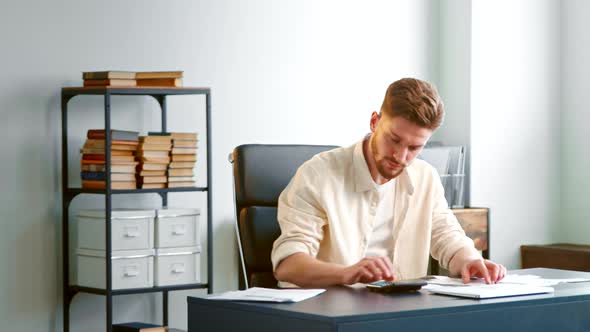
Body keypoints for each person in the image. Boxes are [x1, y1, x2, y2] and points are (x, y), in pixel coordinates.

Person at [271, 78, 506, 288]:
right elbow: (288, 265)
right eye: (394, 140)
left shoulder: (425, 177)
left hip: (396, 315)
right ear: (375, 122)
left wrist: (471, 260)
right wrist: (347, 273)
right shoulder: (318, 175)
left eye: (414, 148)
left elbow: (448, 237)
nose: (400, 156)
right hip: (328, 313)